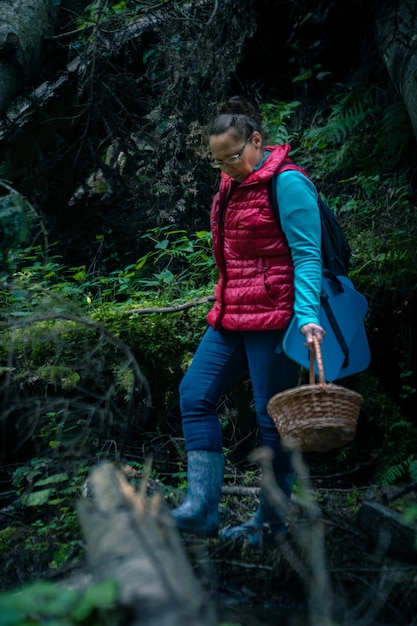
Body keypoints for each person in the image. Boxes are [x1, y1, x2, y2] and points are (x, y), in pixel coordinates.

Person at [171, 96, 325, 545]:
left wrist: (307, 315)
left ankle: (270, 523)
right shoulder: (229, 184)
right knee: (194, 394)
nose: (227, 167)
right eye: (218, 160)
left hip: (276, 318)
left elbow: (307, 255)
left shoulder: (289, 184)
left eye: (234, 156)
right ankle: (201, 509)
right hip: (232, 314)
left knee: (271, 419)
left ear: (256, 141)